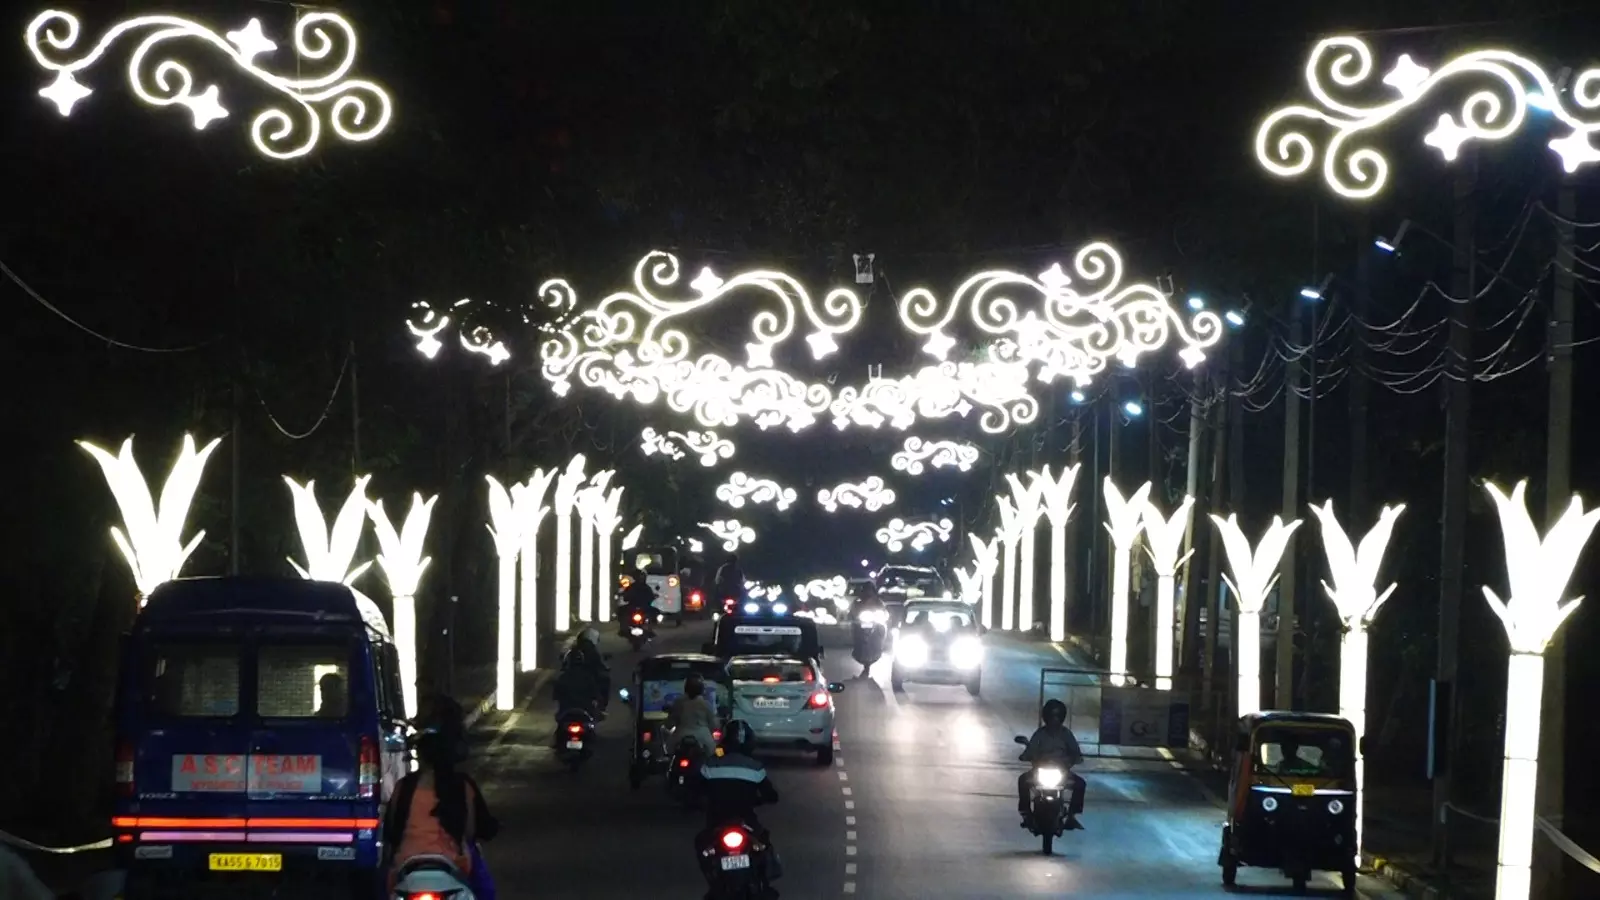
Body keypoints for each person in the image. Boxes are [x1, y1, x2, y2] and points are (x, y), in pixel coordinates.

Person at [384, 697, 500, 898]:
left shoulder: (403, 787)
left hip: (406, 867)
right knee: (485, 891)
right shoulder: (463, 786)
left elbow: (392, 831)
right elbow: (473, 830)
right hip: (452, 866)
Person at [698, 720, 781, 897]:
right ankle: (765, 883)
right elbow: (771, 795)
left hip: (717, 822)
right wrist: (759, 800)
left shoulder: (711, 765)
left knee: (701, 844)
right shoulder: (756, 768)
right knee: (764, 843)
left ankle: (713, 880)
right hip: (746, 822)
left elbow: (697, 788)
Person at [1017, 699, 1087, 829]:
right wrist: (1026, 756)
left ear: (1062, 718)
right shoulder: (1040, 734)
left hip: (1062, 772)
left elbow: (1075, 751)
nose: (1054, 720)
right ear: (1046, 717)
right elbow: (1031, 748)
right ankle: (1026, 813)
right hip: (1039, 771)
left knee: (1080, 784)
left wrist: (1075, 758)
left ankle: (1072, 815)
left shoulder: (1066, 734)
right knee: (1023, 780)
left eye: (1057, 717)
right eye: (1051, 717)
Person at [667, 673, 720, 755]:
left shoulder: (678, 702)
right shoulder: (706, 704)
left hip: (681, 735)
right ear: (702, 689)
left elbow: (671, 722)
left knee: (670, 750)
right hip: (703, 737)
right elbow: (714, 725)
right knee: (711, 753)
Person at [848, 587, 889, 677]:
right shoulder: (858, 601)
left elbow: (884, 612)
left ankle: (879, 647)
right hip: (861, 622)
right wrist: (855, 616)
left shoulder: (878, 601)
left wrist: (882, 616)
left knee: (882, 629)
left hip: (875, 622)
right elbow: (852, 611)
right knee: (855, 630)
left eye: (870, 591)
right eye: (867, 591)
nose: (868, 593)